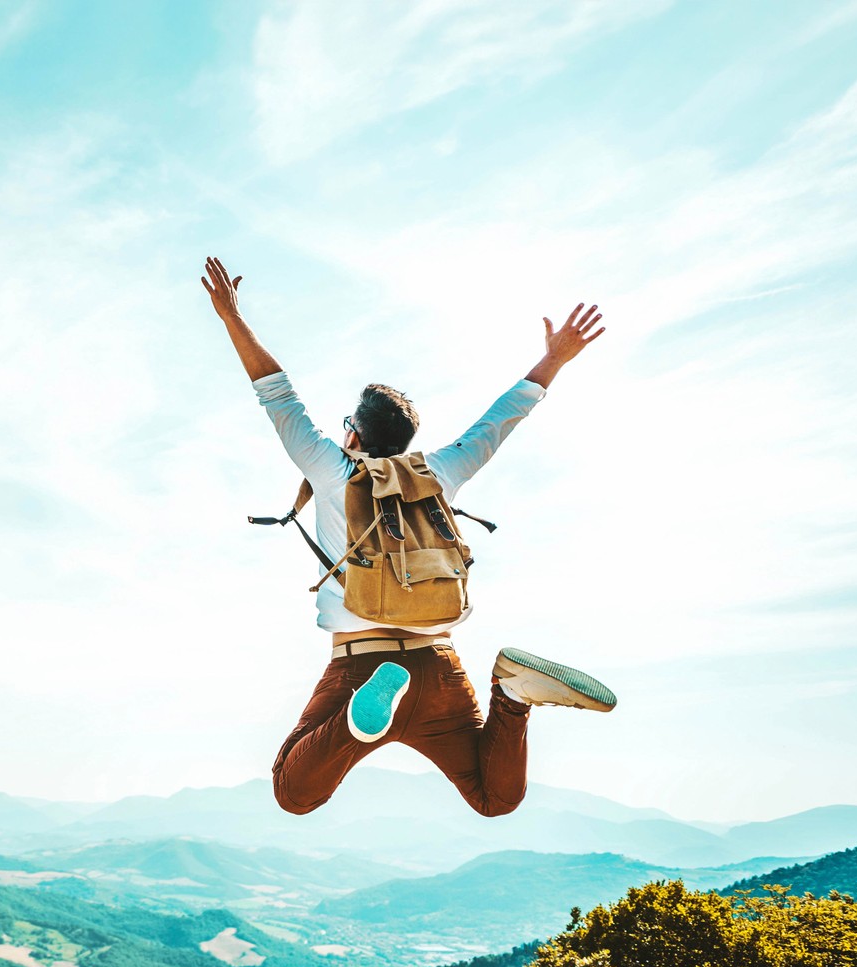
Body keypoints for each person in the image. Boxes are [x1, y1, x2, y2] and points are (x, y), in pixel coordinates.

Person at [201, 256, 615, 819]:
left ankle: (357, 723)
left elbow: (277, 394)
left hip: (360, 664)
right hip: (439, 664)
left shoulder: (333, 470)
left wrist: (230, 316)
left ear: (353, 432)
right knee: (495, 799)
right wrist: (554, 358)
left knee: (293, 791)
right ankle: (513, 698)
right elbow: (499, 421)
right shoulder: (438, 473)